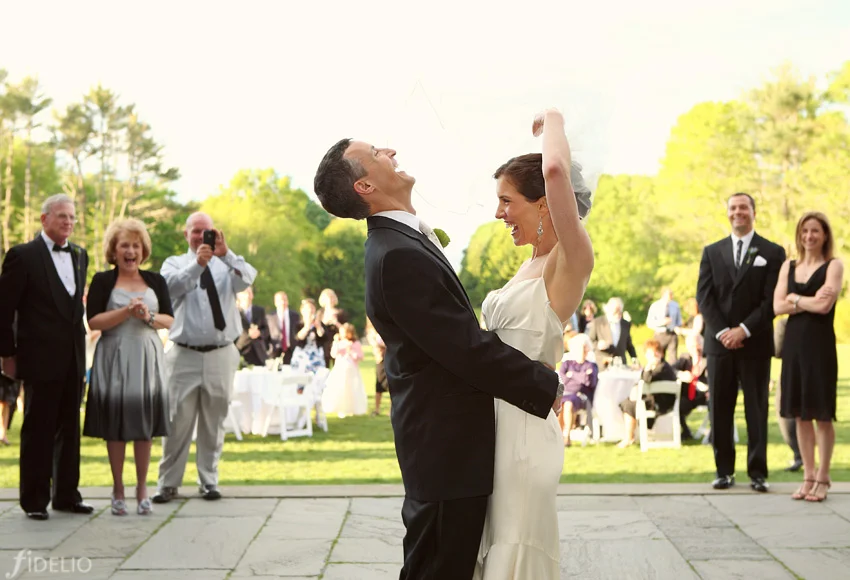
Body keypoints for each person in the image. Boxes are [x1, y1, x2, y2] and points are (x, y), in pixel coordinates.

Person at [313, 116, 572, 578]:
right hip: (445, 451)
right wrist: (543, 383)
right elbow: (463, 347)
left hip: (451, 446)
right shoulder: (396, 255)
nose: (390, 151)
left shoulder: (401, 242)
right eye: (377, 154)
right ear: (366, 185)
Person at [152, 212, 256, 504]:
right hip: (183, 353)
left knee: (214, 420)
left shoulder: (227, 265)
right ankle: (168, 483)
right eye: (195, 231)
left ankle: (208, 480)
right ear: (186, 235)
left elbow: (247, 279)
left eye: (206, 231)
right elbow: (170, 288)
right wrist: (198, 265)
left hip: (221, 353)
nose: (201, 237)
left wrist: (226, 254)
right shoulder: (174, 264)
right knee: (176, 421)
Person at [0, 194, 93, 520]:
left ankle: (67, 495)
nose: (68, 222)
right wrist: (6, 354)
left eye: (72, 217)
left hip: (73, 358)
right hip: (39, 358)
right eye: (61, 216)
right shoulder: (22, 256)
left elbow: (74, 310)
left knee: (70, 427)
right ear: (44, 219)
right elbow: (4, 309)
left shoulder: (81, 255)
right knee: (38, 429)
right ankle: (34, 501)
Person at [83, 219, 173, 516]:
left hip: (147, 356)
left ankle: (143, 488)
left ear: (143, 249)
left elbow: (169, 321)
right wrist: (125, 311)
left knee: (144, 426)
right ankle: (118, 488)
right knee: (116, 425)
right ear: (114, 250)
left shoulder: (156, 281)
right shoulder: (101, 281)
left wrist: (147, 316)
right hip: (113, 355)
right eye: (124, 245)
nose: (130, 251)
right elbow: (94, 321)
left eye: (135, 245)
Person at [696, 193, 785, 492]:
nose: (738, 212)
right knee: (719, 409)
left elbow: (771, 300)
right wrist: (723, 332)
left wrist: (743, 330)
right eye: (733, 208)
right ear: (728, 213)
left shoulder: (772, 252)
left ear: (753, 212)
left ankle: (758, 473)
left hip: (755, 343)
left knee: (756, 408)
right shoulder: (711, 252)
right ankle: (724, 472)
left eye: (743, 207)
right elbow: (704, 299)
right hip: (719, 345)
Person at [773, 212, 843, 502]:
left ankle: (824, 478)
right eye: (805, 231)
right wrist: (808, 301)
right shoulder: (788, 267)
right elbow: (777, 306)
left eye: (815, 231)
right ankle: (808, 476)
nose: (809, 236)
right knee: (800, 415)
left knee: (822, 416)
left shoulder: (834, 266)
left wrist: (796, 299)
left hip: (820, 348)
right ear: (799, 235)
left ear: (824, 235)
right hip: (793, 348)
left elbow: (825, 307)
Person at [617, 340, 678, 448]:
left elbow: (646, 379)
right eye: (651, 353)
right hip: (656, 401)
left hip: (660, 404)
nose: (654, 356)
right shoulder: (660, 366)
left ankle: (629, 438)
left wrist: (648, 367)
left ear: (661, 353)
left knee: (628, 404)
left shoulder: (662, 368)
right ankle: (631, 436)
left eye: (656, 352)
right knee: (628, 402)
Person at [558, 333, 598, 447]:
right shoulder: (567, 363)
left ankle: (567, 436)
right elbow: (562, 379)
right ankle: (558, 435)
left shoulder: (591, 365)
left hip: (583, 397)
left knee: (569, 404)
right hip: (566, 393)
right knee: (559, 402)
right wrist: (580, 376)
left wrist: (572, 375)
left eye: (583, 349)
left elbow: (589, 382)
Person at [322, 323, 368, 418]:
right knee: (340, 388)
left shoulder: (355, 344)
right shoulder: (339, 343)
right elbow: (333, 354)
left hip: (352, 370)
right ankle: (341, 408)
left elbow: (360, 357)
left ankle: (352, 408)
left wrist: (350, 351)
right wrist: (336, 343)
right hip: (340, 369)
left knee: (352, 389)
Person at [672, 333, 709, 440]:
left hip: (704, 395)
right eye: (693, 346)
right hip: (688, 395)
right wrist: (681, 374)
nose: (696, 349)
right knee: (676, 406)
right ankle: (686, 432)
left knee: (714, 403)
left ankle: (713, 434)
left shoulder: (708, 359)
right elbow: (670, 370)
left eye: (699, 345)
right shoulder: (684, 359)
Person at [588, 297, 638, 368]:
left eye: (620, 311)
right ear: (608, 310)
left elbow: (629, 344)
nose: (618, 314)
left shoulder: (625, 324)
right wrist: (598, 345)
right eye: (615, 311)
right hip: (603, 364)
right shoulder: (597, 322)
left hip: (621, 365)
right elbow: (590, 340)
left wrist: (634, 359)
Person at [290, 298, 330, 374]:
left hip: (316, 356)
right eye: (308, 308)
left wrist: (318, 327)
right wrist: (307, 326)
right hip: (301, 356)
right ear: (302, 310)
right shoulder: (298, 325)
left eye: (312, 308)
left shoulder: (320, 324)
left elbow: (324, 338)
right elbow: (297, 338)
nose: (310, 310)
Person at [235, 287, 270, 367]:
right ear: (239, 296)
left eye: (249, 293)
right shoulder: (234, 312)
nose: (247, 295)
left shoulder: (259, 311)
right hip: (241, 352)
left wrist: (259, 333)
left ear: (252, 295)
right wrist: (249, 334)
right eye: (245, 293)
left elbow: (266, 330)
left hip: (258, 355)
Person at [646, 287, 682, 362]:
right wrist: (661, 322)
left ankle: (672, 372)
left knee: (673, 358)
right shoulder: (655, 306)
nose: (671, 296)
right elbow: (649, 322)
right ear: (663, 295)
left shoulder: (675, 306)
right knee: (659, 357)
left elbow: (679, 321)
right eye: (669, 294)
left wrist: (677, 327)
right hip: (660, 334)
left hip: (672, 334)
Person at [267, 291, 301, 364]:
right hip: (275, 351)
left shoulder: (295, 316)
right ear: (275, 303)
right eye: (280, 300)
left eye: (284, 300)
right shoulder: (269, 317)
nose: (282, 302)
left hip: (291, 350)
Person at [365, 317, 390, 416]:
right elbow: (376, 344)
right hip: (380, 359)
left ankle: (391, 409)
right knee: (379, 384)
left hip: (388, 358)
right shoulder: (372, 332)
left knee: (391, 385)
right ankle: (377, 409)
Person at [318, 288, 347, 367]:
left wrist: (336, 322)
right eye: (328, 298)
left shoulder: (340, 312)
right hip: (324, 343)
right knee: (324, 368)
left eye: (332, 297)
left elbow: (346, 329)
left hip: (337, 343)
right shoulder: (320, 313)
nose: (330, 300)